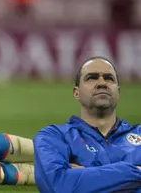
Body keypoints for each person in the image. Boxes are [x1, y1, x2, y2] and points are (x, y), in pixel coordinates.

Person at [33, 56, 141, 193]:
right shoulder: (54, 137)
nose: (102, 83)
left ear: (118, 92)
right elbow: (58, 185)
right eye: (92, 78)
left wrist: (87, 177)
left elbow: (71, 184)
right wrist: (135, 171)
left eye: (109, 78)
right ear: (76, 93)